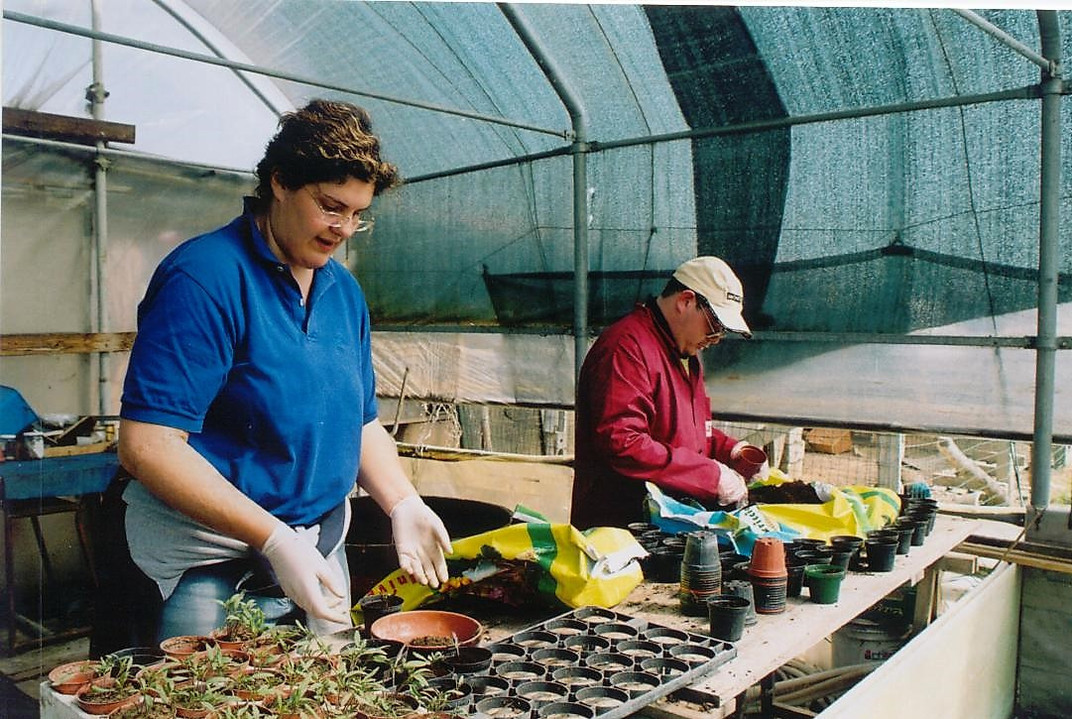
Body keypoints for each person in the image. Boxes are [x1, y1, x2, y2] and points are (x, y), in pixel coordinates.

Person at [113, 99, 451, 641]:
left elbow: (359, 423)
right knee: (211, 692)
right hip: (208, 558)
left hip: (315, 543)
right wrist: (272, 538)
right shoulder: (205, 278)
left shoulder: (342, 292)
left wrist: (402, 500)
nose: (344, 228)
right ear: (279, 183)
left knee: (328, 688)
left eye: (359, 214)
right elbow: (149, 444)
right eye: (331, 206)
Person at [570, 256, 770, 530]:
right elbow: (623, 443)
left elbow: (689, 433)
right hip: (622, 527)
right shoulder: (626, 348)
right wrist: (710, 475)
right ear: (685, 301)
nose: (717, 338)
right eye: (715, 326)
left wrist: (731, 451)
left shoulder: (685, 353)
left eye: (723, 331)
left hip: (669, 520)